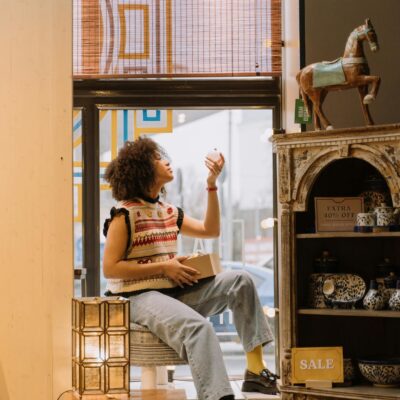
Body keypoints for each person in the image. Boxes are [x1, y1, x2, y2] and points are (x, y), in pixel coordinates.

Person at [102, 137, 278, 400]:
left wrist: (211, 185)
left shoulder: (169, 211)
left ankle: (255, 371)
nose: (167, 162)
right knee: (200, 328)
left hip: (171, 292)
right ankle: (217, 396)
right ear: (143, 170)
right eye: (158, 159)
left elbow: (211, 230)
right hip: (135, 298)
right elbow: (110, 268)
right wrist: (164, 267)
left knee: (240, 280)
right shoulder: (124, 215)